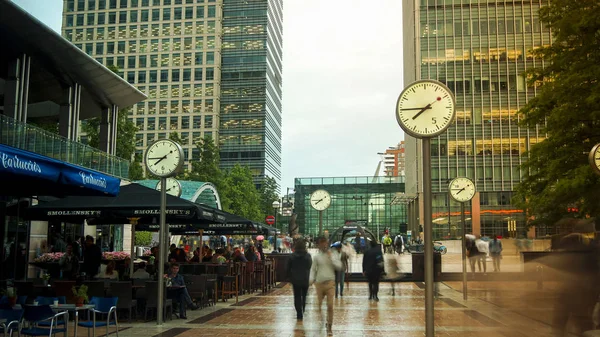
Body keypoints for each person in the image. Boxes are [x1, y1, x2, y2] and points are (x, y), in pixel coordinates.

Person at [310, 236, 341, 335]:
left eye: (325, 243)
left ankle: (329, 325)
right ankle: (322, 319)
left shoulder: (333, 254)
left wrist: (331, 258)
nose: (323, 245)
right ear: (318, 245)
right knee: (318, 306)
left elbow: (339, 266)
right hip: (319, 284)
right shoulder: (316, 257)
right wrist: (311, 280)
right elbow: (313, 269)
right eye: (321, 243)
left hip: (330, 283)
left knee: (330, 306)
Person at [286, 239, 312, 320]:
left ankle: (299, 313)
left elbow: (287, 268)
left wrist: (289, 277)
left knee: (297, 296)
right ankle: (303, 308)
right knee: (304, 296)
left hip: (295, 279)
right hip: (305, 278)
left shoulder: (292, 256)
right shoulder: (308, 256)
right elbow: (309, 265)